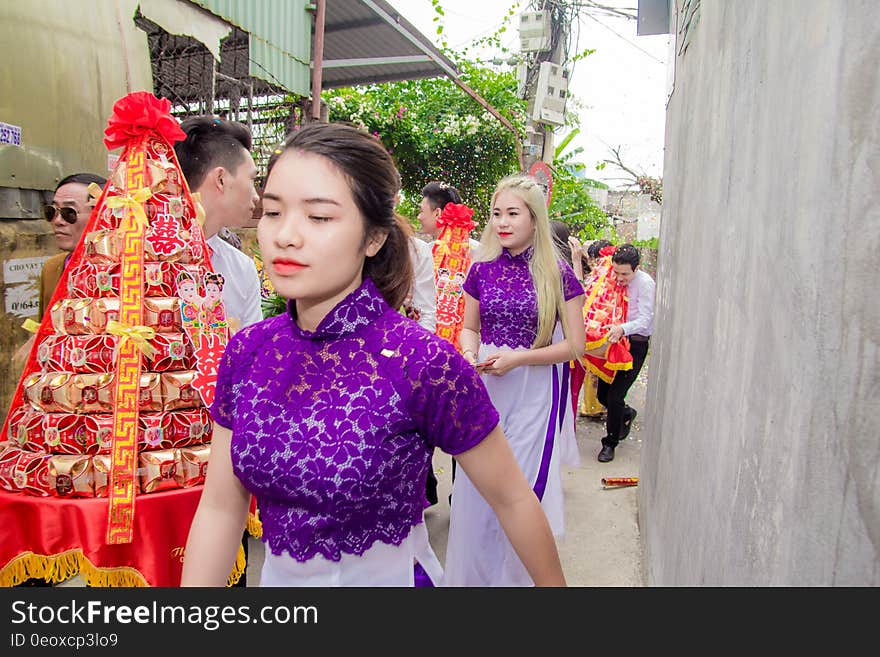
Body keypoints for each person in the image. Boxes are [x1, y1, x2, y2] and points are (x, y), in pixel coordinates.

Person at [180, 122, 566, 588]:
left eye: (319, 217)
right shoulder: (247, 351)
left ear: (374, 238)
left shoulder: (422, 361)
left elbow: (513, 500)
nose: (285, 236)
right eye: (274, 212)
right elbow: (222, 506)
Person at [444, 175, 585, 586]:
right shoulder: (481, 270)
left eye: (512, 213)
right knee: (475, 491)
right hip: (486, 389)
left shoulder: (559, 275)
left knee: (519, 492)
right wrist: (471, 353)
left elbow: (575, 345)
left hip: (533, 393)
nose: (502, 222)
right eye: (496, 213)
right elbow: (469, 328)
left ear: (534, 220)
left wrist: (521, 358)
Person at [174, 116, 262, 333]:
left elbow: (249, 355)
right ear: (221, 179)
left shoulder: (242, 269)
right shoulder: (140, 259)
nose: (256, 196)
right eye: (252, 180)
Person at [595, 243, 655, 463]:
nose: (619, 278)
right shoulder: (612, 278)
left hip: (635, 344)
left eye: (625, 274)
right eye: (616, 273)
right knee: (603, 395)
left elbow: (645, 320)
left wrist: (623, 329)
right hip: (614, 341)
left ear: (636, 268)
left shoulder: (646, 284)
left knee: (615, 396)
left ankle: (610, 443)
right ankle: (626, 413)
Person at [38, 173, 107, 319]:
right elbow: (43, 330)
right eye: (52, 212)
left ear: (101, 215)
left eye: (69, 212)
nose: (57, 221)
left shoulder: (127, 272)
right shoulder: (52, 268)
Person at [568, 237, 613, 418]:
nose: (593, 264)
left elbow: (581, 299)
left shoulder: (604, 280)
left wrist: (577, 261)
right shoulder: (602, 277)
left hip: (578, 343)